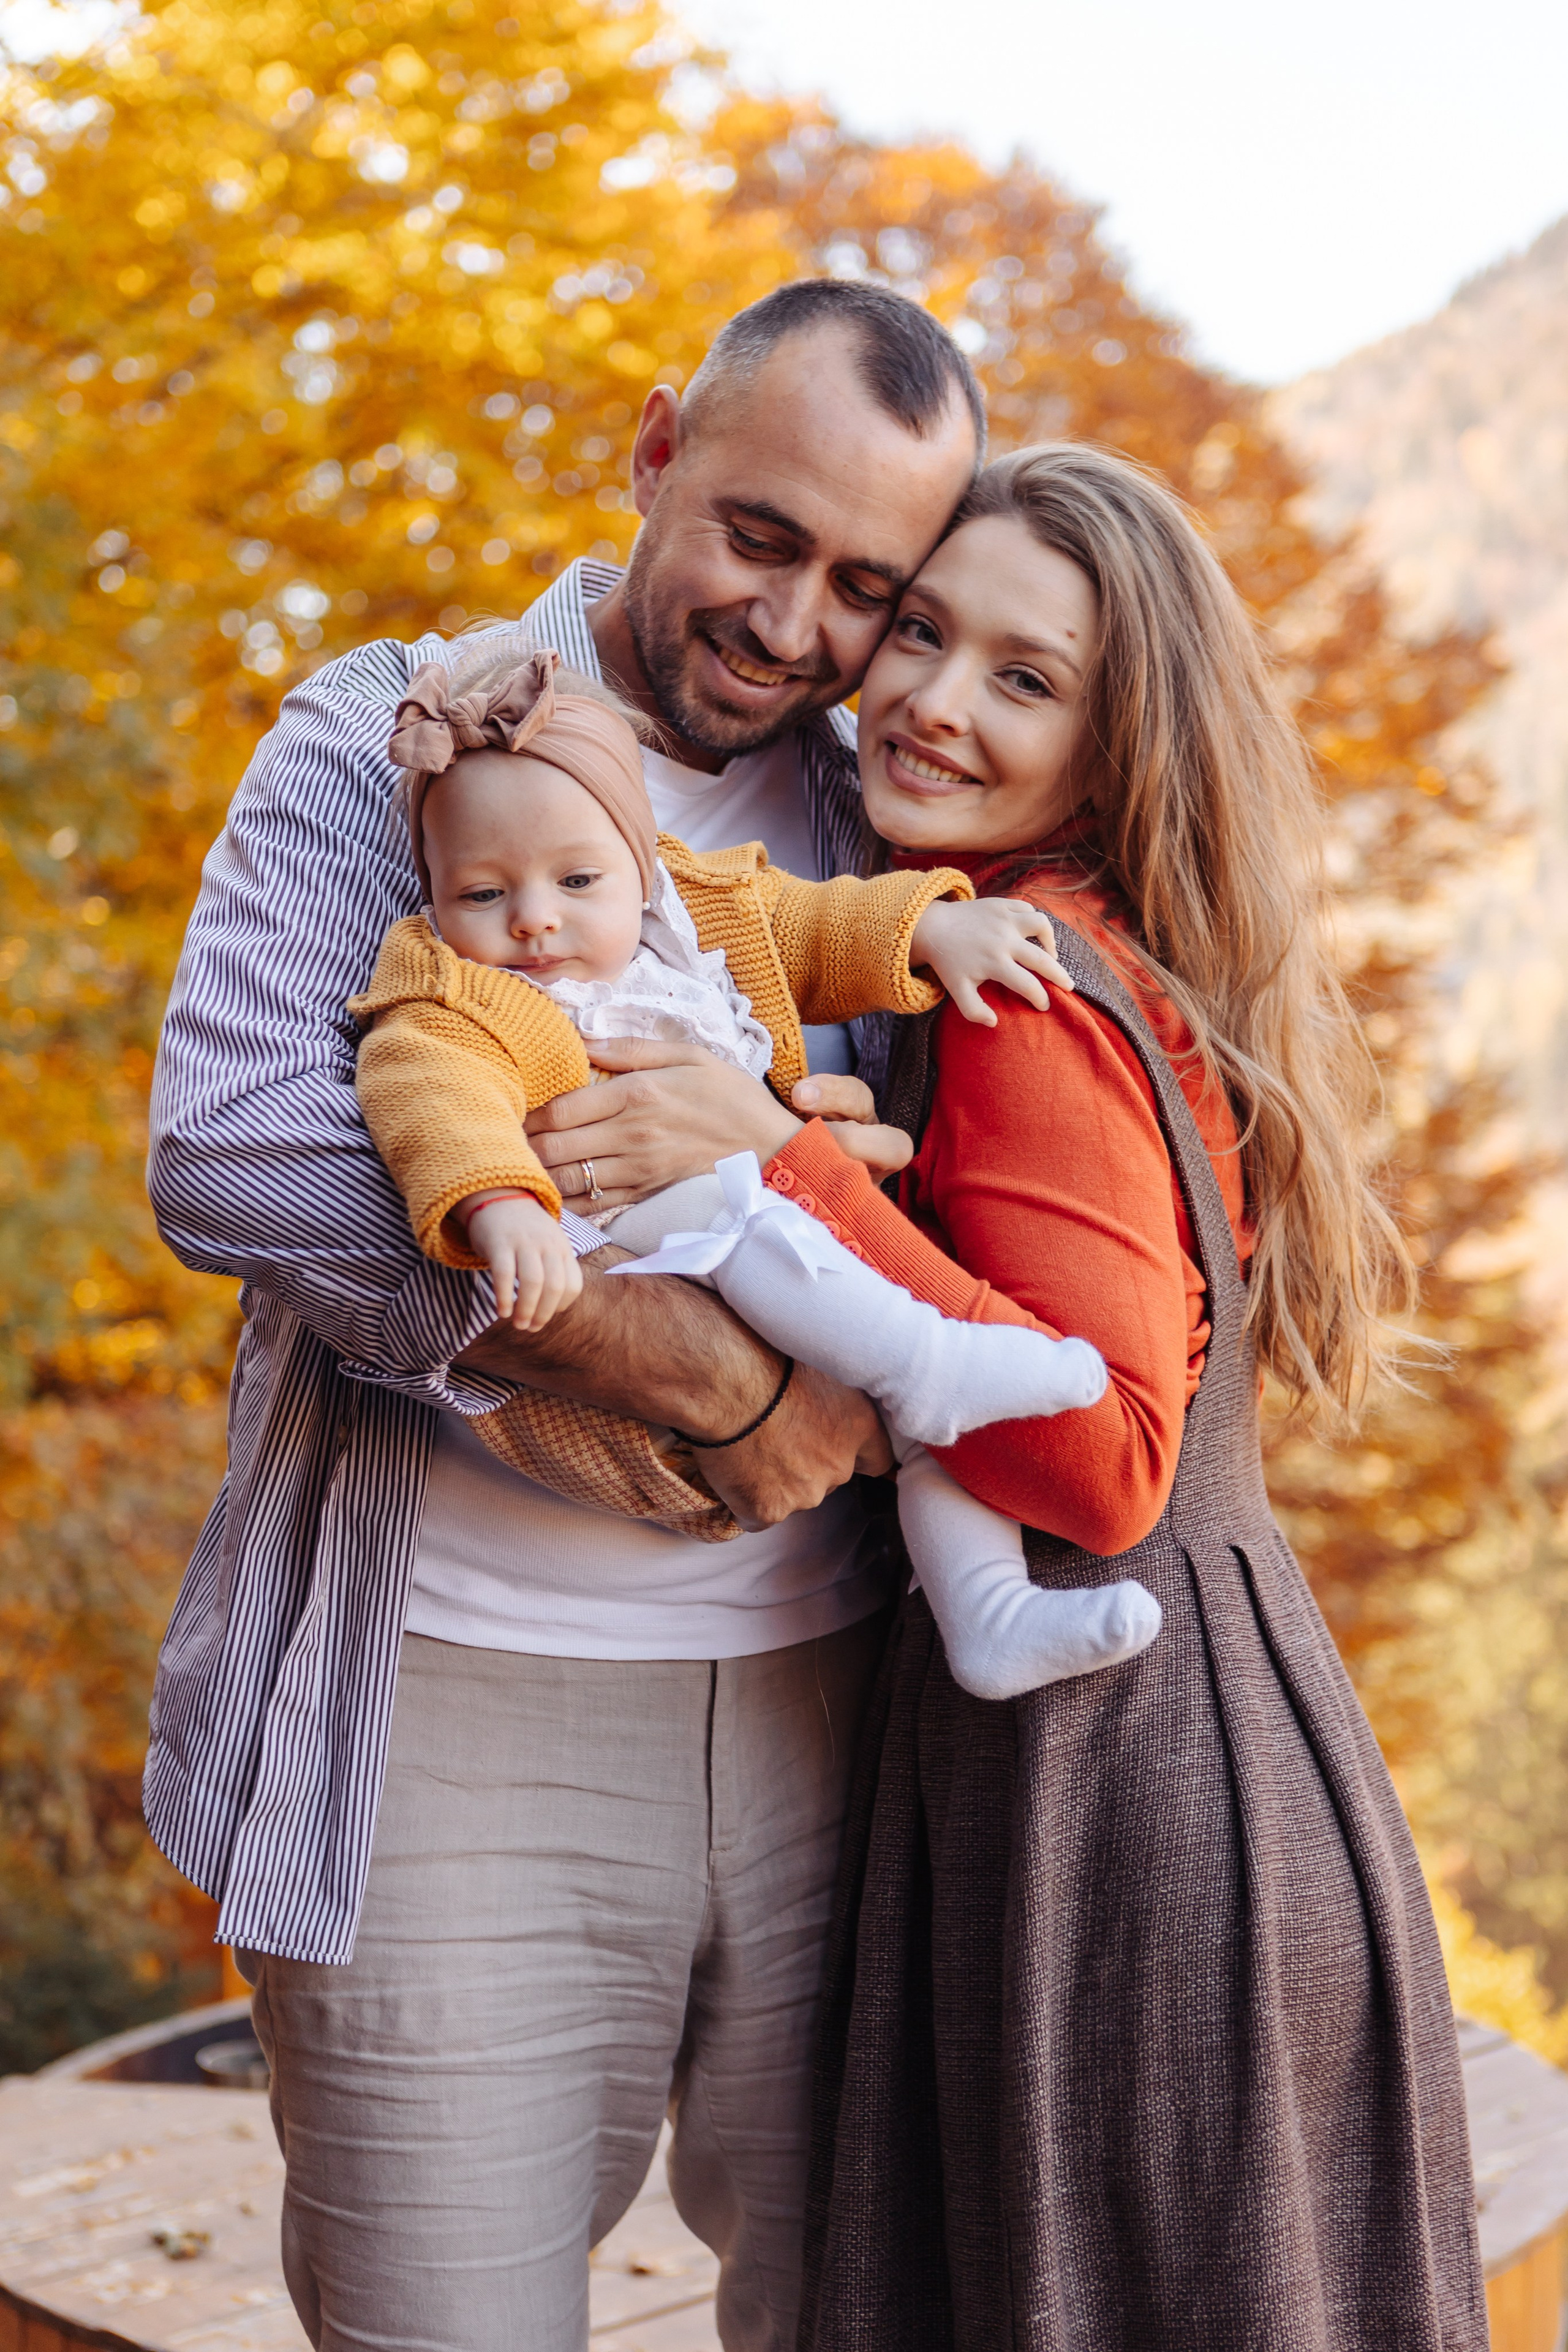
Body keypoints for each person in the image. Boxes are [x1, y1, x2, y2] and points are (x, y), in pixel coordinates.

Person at [146, 280, 984, 2351]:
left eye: (866, 587)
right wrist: (703, 1372)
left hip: (854, 1713)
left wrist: (791, 1193)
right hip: (452, 1714)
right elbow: (227, 1157)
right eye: (761, 539)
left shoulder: (897, 811)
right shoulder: (403, 732)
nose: (796, 629)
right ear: (654, 451)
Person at [761, 445, 1485, 2348]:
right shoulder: (1065, 947)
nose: (929, 698)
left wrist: (787, 1173)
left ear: (1116, 739)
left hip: (1124, 1792)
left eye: (1025, 677)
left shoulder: (1027, 996)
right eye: (921, 631)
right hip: (1208, 1758)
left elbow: (1096, 1465)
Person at [352, 644, 1156, 1697]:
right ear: (435, 893)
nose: (535, 918)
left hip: (742, 1213)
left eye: (577, 879)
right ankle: (931, 1364)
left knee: (921, 1431)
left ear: (642, 857)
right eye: (484, 891)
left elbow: (819, 923)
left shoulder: (696, 910)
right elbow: (429, 1092)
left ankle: (987, 1610)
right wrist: (502, 1204)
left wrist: (931, 929)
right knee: (751, 1223)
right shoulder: (454, 989)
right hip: (635, 1232)